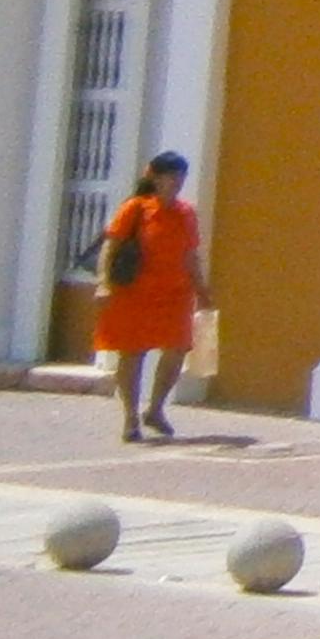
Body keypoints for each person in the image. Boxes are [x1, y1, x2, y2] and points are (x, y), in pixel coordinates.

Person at [93, 150, 208, 443]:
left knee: (177, 349)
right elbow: (111, 247)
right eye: (171, 176)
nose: (177, 181)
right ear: (155, 178)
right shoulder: (135, 208)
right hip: (135, 293)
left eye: (181, 176)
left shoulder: (186, 213)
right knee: (132, 353)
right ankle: (131, 417)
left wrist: (203, 291)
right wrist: (104, 283)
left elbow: (191, 256)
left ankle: (155, 408)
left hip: (175, 294)